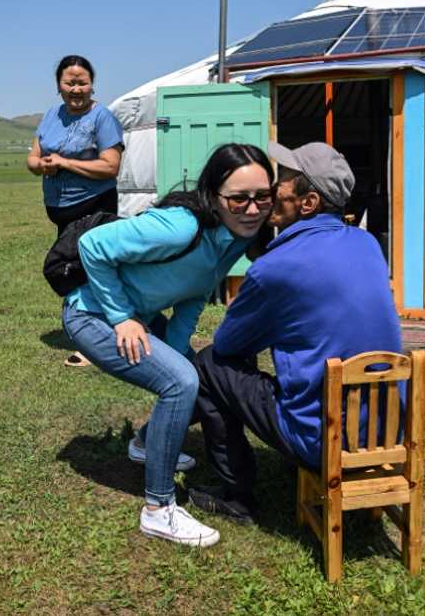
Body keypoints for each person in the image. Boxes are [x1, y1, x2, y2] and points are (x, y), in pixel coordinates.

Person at [61, 143, 275, 547]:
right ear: (214, 196)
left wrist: (178, 354)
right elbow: (93, 246)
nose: (252, 208)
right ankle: (158, 509)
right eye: (239, 198)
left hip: (141, 317)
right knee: (180, 383)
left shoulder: (230, 240)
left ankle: (145, 442)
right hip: (91, 314)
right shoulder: (180, 226)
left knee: (195, 375)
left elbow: (194, 296)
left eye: (262, 196)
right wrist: (121, 316)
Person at [185, 141, 403, 523]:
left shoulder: (277, 267)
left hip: (322, 440)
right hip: (383, 430)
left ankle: (238, 497)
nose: (274, 187)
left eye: (284, 179)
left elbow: (229, 344)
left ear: (308, 203)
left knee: (210, 365)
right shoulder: (367, 244)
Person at [27, 55, 124, 366]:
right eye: (70, 82)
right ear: (59, 85)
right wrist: (40, 165)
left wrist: (65, 163)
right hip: (62, 211)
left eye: (82, 82)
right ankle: (88, 331)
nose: (76, 88)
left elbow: (111, 166)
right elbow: (34, 155)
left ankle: (97, 343)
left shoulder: (102, 117)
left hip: (94, 207)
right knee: (72, 270)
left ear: (91, 83)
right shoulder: (51, 115)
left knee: (90, 272)